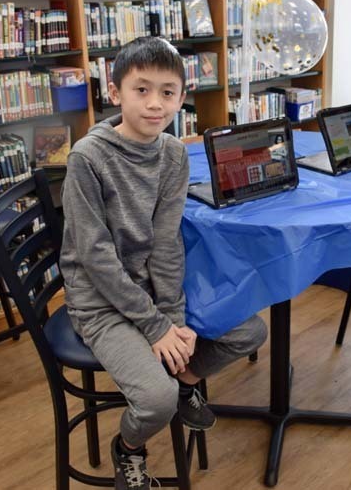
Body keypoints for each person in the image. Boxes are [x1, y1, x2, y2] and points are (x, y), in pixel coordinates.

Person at [60, 36, 268, 490]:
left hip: (156, 290)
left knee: (251, 331)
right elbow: (95, 258)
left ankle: (188, 379)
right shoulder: (88, 158)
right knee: (157, 399)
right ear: (115, 93)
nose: (156, 104)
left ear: (181, 96)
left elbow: (166, 243)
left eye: (168, 92)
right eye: (142, 90)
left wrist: (171, 318)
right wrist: (157, 328)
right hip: (100, 299)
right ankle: (129, 449)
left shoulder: (173, 153)